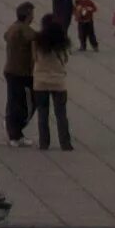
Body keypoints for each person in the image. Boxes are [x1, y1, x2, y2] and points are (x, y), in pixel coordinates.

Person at [30, 12, 73, 151]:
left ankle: (44, 143)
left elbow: (34, 58)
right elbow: (65, 60)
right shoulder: (63, 42)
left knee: (43, 113)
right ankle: (65, 143)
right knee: (61, 114)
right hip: (58, 82)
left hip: (40, 82)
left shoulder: (37, 41)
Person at [2, 1, 37, 147]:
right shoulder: (24, 30)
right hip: (21, 73)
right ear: (28, 15)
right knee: (27, 104)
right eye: (32, 14)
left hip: (11, 70)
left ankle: (15, 132)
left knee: (14, 102)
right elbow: (36, 37)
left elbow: (5, 36)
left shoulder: (12, 27)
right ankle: (14, 131)